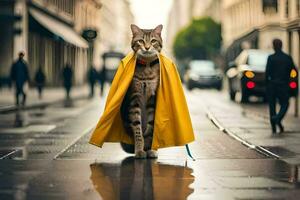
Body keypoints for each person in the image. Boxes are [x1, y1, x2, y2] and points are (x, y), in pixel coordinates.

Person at [265, 39, 295, 134]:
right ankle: (278, 119)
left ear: (274, 46)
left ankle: (274, 126)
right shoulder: (287, 58)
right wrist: (291, 80)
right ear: (281, 46)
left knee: (272, 106)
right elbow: (294, 71)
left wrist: (267, 85)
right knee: (285, 104)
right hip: (283, 85)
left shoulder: (271, 58)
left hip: (272, 85)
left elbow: (267, 74)